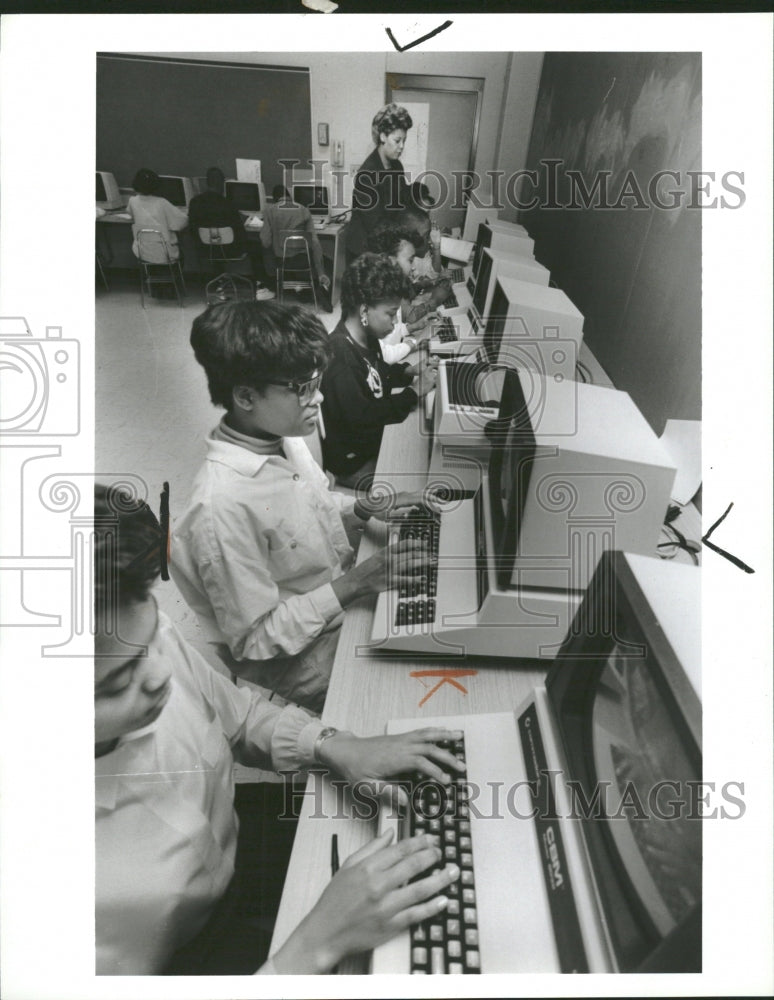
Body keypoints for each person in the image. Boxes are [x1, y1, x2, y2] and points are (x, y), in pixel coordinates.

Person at [95, 483, 463, 975]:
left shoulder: (137, 639)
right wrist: (312, 946)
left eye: (153, 643)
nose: (160, 674)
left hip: (234, 850)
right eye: (119, 683)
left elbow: (237, 714)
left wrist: (335, 745)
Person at [171, 300, 434, 713]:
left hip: (336, 597)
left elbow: (309, 504)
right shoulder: (219, 508)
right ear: (245, 396)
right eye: (303, 388)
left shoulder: (282, 436)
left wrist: (363, 507)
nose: (320, 397)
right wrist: (357, 584)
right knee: (415, 696)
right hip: (301, 654)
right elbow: (254, 640)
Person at [321, 253, 437, 489]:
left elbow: (377, 371)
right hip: (352, 463)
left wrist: (408, 371)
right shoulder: (340, 358)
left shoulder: (365, 338)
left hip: (366, 440)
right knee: (420, 478)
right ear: (364, 311)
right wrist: (413, 393)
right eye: (390, 313)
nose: (395, 322)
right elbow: (364, 419)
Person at [187, 166, 273, 298]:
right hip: (231, 249)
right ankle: (260, 286)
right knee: (256, 245)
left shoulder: (194, 202)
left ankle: (219, 282)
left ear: (207, 182)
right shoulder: (228, 204)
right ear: (222, 183)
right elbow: (239, 231)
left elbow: (192, 228)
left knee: (216, 244)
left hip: (204, 249)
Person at [346, 103, 413, 261]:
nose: (401, 146)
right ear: (383, 136)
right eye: (397, 141)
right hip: (363, 252)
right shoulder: (366, 174)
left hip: (384, 243)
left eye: (404, 140)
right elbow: (376, 225)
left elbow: (401, 204)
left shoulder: (397, 166)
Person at [367, 222, 439, 364]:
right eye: (410, 260)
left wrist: (413, 327)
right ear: (389, 260)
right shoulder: (375, 297)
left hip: (396, 355)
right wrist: (418, 340)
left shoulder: (392, 288)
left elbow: (392, 331)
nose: (413, 269)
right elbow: (383, 355)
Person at [260, 185, 331, 309]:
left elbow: (265, 241)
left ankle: (272, 286)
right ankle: (310, 287)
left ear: (276, 199)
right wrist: (321, 273)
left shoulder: (269, 211)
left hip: (280, 262)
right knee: (326, 259)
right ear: (289, 196)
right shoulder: (304, 210)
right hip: (303, 262)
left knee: (263, 250)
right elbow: (315, 242)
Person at [126, 167, 188, 264]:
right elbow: (181, 223)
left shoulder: (132, 201)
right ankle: (175, 277)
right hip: (165, 255)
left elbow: (130, 214)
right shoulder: (162, 202)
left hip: (142, 253)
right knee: (182, 251)